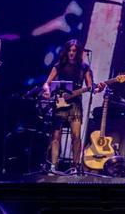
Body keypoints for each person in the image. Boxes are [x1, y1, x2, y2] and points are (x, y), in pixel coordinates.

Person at [41, 39, 102, 172]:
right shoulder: (59, 66)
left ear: (78, 52)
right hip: (60, 103)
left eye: (74, 51)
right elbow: (47, 83)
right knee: (56, 136)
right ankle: (53, 166)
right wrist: (46, 89)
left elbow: (91, 87)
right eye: (69, 50)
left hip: (75, 105)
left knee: (76, 135)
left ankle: (75, 166)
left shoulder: (84, 67)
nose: (71, 53)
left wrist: (98, 89)